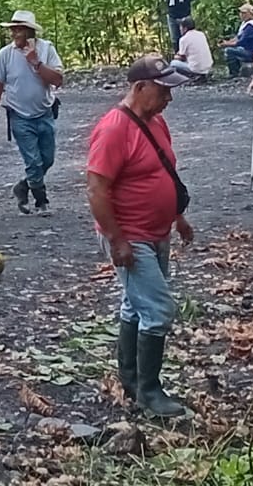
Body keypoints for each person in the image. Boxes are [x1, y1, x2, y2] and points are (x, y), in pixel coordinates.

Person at [86, 54, 196, 418]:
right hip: (130, 235)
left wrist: (177, 217)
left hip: (156, 231)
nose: (169, 98)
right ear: (139, 87)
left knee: (135, 305)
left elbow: (161, 172)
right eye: (163, 90)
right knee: (160, 309)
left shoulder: (156, 123)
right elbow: (97, 189)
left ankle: (132, 381)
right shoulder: (114, 129)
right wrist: (118, 240)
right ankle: (149, 390)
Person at [0, 10, 64, 216]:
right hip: (19, 115)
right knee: (33, 162)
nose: (13, 34)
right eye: (12, 29)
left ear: (29, 32)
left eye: (18, 29)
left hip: (44, 112)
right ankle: (41, 201)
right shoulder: (5, 54)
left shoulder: (46, 49)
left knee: (47, 160)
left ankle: (23, 187)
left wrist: (36, 62)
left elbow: (57, 80)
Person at [219, 3, 253, 77]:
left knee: (229, 51)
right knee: (231, 49)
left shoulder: (251, 26)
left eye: (244, 13)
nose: (241, 15)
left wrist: (226, 44)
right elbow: (238, 37)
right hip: (247, 49)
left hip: (252, 52)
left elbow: (241, 42)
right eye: (241, 13)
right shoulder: (245, 24)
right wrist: (227, 42)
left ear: (250, 14)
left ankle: (234, 73)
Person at [173, 16, 214, 82]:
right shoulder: (201, 34)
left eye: (181, 27)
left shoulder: (184, 39)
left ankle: (193, 76)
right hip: (208, 67)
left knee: (173, 63)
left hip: (196, 68)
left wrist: (175, 56)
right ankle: (203, 74)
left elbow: (181, 57)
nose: (180, 29)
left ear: (185, 28)